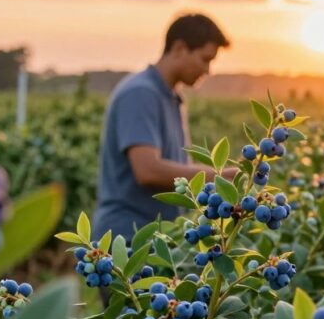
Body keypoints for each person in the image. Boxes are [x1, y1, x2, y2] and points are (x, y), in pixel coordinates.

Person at [93, 13, 237, 242]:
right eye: (205, 59)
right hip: (127, 238)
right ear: (179, 48)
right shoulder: (141, 93)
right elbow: (148, 170)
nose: (208, 70)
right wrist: (223, 178)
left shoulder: (171, 98)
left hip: (158, 237)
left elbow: (179, 173)